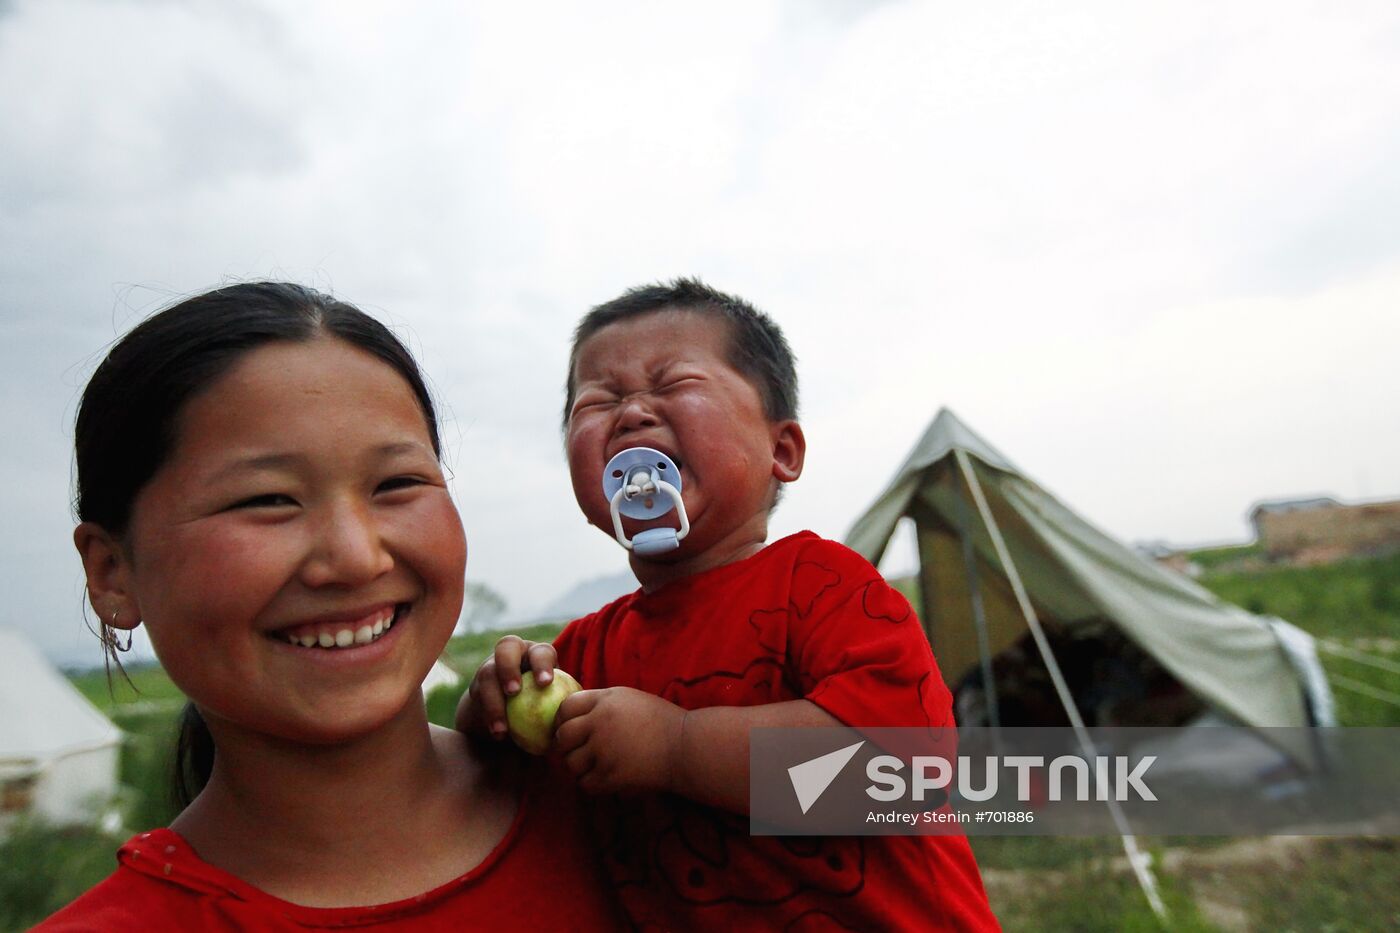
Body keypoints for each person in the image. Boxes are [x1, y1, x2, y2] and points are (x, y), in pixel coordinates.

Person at [41, 283, 621, 930]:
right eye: (267, 499)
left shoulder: (606, 751)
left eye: (397, 483)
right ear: (111, 572)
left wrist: (686, 751)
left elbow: (763, 799)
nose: (355, 557)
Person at [462, 280, 1000, 930]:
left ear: (782, 450)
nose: (631, 413)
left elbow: (901, 772)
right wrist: (488, 708)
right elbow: (485, 791)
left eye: (672, 384)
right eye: (597, 400)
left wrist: (675, 747)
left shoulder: (825, 587)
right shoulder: (581, 656)